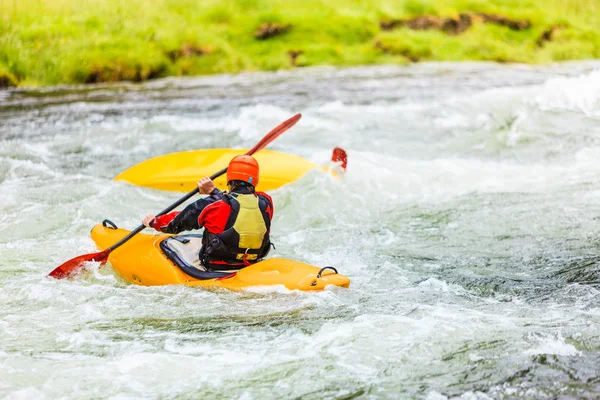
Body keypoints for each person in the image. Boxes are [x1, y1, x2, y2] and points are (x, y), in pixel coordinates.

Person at [142, 155, 274, 271]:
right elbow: (242, 201)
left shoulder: (213, 204)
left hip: (217, 266)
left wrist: (154, 222)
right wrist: (214, 191)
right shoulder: (266, 202)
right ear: (255, 179)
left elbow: (176, 223)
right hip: (251, 263)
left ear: (229, 178)